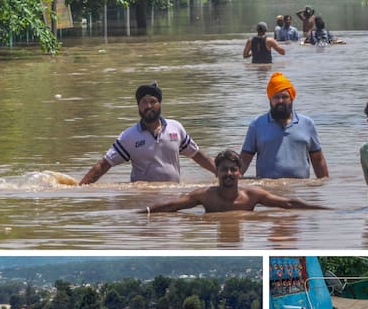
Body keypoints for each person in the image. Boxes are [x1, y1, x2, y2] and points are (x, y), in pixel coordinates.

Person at [79, 83, 216, 184]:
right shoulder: (129, 136)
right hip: (142, 197)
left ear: (160, 104)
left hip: (172, 194)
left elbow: (197, 155)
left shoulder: (175, 128)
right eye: (144, 102)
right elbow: (104, 164)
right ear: (138, 106)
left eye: (153, 101)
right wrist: (80, 188)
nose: (148, 106)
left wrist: (220, 172)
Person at [141, 149, 325, 214]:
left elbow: (288, 203)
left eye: (233, 169)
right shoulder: (205, 196)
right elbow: (171, 206)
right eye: (223, 170)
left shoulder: (252, 195)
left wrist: (323, 210)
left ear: (239, 173)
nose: (228, 173)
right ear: (217, 173)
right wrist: (143, 212)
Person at [241, 72, 329, 179]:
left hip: (301, 191)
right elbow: (244, 160)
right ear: (270, 99)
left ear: (291, 98)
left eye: (284, 97)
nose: (280, 101)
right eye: (276, 97)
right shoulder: (257, 125)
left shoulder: (307, 124)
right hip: (268, 192)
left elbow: (317, 159)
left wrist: (325, 188)